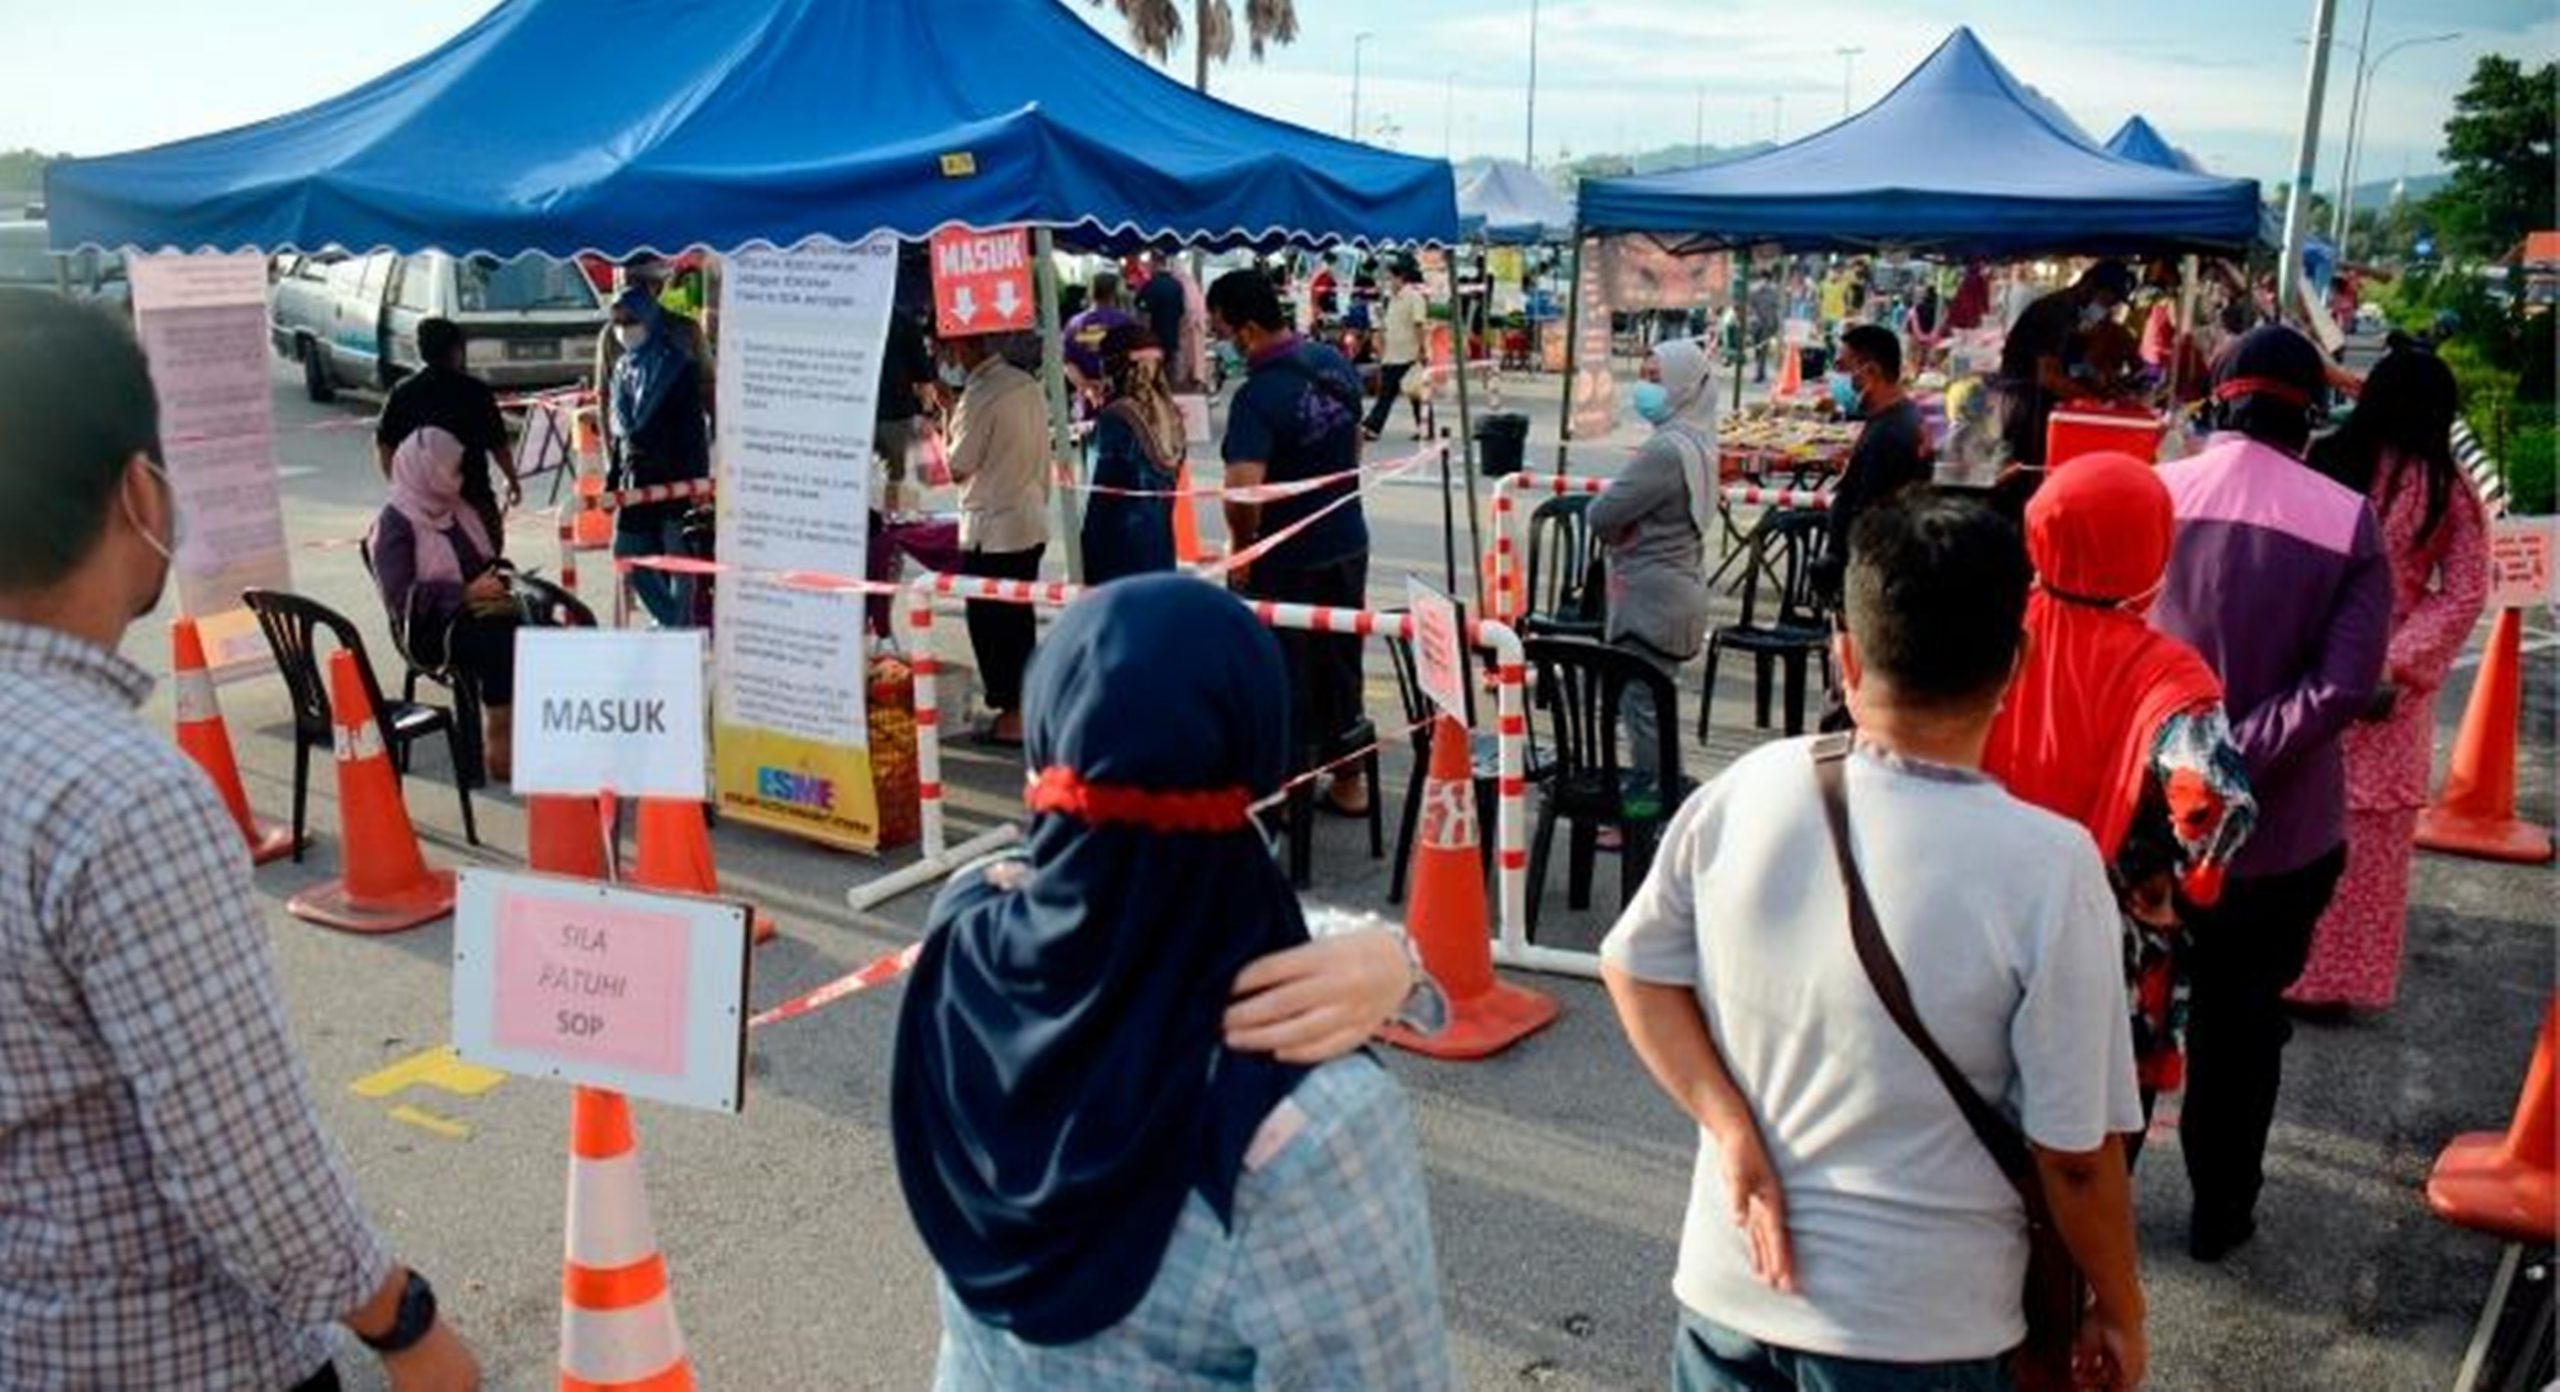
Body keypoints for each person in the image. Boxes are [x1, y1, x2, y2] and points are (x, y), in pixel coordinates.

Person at [0, 290, 480, 1390]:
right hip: (178, 1356)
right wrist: (406, 1326)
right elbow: (246, 1165)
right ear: (139, 491)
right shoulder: (120, 798)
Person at [1602, 490, 2147, 1392]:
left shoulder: (1748, 791)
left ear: (1845, 658)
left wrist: (1730, 1127)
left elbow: (1634, 968)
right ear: (2018, 664)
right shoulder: (2050, 868)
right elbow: (2076, 1159)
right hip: (1920, 1328)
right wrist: (2121, 1307)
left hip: (1728, 1295)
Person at [893, 575, 1454, 1390]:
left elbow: (1075, 891)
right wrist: (1393, 954)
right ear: (1261, 759)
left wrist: (1382, 957)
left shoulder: (963, 941)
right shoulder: (1308, 1116)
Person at [2150, 325, 2391, 1260]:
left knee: (2126, 1011)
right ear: (2310, 412)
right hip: (2280, 838)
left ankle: (2094, 1203)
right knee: (2241, 1032)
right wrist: (2234, 762)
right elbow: (2339, 689)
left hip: (2150, 822)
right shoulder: (2346, 520)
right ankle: (2220, 1213)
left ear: (2218, 400)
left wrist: (2186, 768)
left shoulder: (2153, 493)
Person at [1984, 453, 2259, 1150]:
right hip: (2108, 944)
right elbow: (2214, 804)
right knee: (2087, 1142)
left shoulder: (1984, 630)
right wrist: (2193, 875)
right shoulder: (2170, 671)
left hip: (1979, 912)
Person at [2288, 344, 2489, 1014]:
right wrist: (2395, 662)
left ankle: (2278, 964)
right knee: (2367, 842)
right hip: (2386, 691)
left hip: (2307, 664)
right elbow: (2463, 592)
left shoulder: (2323, 459)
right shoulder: (2445, 486)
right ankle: (2334, 983)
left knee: (2289, 812)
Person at [1209, 267, 1373, 817]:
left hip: (1286, 556)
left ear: (1247, 329)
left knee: (1279, 672)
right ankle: (1349, 781)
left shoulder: (1257, 397)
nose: (1221, 342)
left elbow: (1243, 492)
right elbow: (1354, 444)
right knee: (1341, 658)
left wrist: (1241, 550)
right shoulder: (1334, 362)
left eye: (1222, 329)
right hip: (1348, 539)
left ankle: (1277, 794)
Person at [1589, 337, 1716, 802]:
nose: (1644, 388)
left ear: (1683, 387)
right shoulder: (1701, 442)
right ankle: (1665, 809)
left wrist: (1620, 529)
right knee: (1656, 708)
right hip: (1679, 591)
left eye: (1655, 379)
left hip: (1650, 600)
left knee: (1642, 712)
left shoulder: (1666, 451)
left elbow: (1601, 514)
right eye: (1643, 376)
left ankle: (1644, 816)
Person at [370, 427, 522, 781]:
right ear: (426, 471)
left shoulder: (456, 508)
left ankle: (534, 730)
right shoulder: (394, 524)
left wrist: (500, 578)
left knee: (540, 620)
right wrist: (465, 593)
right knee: (501, 640)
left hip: (474, 611)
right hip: (429, 626)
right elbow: (401, 598)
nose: (457, 477)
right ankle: (500, 739)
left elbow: (482, 559)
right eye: (450, 469)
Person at [942, 330, 1052, 744]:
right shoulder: (1025, 384)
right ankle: (1025, 709)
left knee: (993, 627)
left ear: (967, 346)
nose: (948, 355)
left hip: (995, 529)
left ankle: (1012, 717)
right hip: (1028, 519)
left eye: (950, 346)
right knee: (1017, 622)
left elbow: (957, 465)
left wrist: (945, 419)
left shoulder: (981, 393)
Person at [606, 289, 711, 628]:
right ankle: (674, 624)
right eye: (619, 322)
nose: (624, 329)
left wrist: (698, 481)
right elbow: (622, 437)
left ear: (650, 320)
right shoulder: (622, 369)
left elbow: (693, 430)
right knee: (628, 552)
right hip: (635, 481)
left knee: (678, 562)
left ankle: (677, 633)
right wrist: (612, 482)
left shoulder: (677, 367)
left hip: (675, 478)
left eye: (631, 321)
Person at [1811, 324, 1931, 609]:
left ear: (1871, 373)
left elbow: (1871, 516)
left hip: (1874, 582)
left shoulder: (1891, 435)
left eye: (1842, 367)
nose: (1836, 378)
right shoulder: (1894, 419)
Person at [374, 317, 518, 550]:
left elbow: (384, 444)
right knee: (487, 564)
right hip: (473, 496)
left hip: (420, 504)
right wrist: (512, 480)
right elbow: (499, 445)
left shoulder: (403, 392)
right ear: (456, 350)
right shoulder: (475, 392)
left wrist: (400, 484)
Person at [1996, 260, 2136, 481]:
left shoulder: (2076, 316)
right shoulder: (2054, 312)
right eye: (2108, 301)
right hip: (2027, 400)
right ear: (2089, 286)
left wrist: (2098, 379)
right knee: (2027, 471)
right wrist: (2096, 403)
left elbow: (2073, 364)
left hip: (2042, 399)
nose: (2108, 309)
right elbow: (2049, 377)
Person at [1081, 324, 1186, 585]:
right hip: (1161, 547)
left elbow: (1102, 498)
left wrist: (1086, 551)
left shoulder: (1117, 418)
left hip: (1118, 555)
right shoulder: (1171, 413)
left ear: (1116, 366)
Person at [591, 255, 708, 459]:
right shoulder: (611, 335)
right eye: (629, 284)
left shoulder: (686, 331)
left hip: (680, 448)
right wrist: (610, 456)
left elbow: (708, 386)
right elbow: (603, 396)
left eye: (643, 285)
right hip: (633, 454)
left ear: (658, 287)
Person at [875, 301, 938, 509]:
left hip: (857, 412)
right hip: (896, 412)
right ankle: (890, 525)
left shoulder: (851, 315)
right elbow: (922, 375)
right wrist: (927, 415)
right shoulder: (904, 322)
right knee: (895, 477)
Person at [1364, 258, 1431, 441]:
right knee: (1387, 393)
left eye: (1390, 278)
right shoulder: (1391, 299)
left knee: (1415, 393)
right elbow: (1387, 325)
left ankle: (1424, 427)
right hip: (1392, 354)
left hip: (1409, 354)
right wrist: (1380, 347)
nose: (1387, 283)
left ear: (1401, 278)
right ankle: (1373, 427)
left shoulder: (1414, 297)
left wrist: (1423, 350)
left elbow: (1419, 325)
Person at [1062, 270, 1137, 409]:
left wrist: (1085, 385)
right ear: (1116, 293)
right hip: (1120, 397)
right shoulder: (1125, 322)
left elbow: (1068, 363)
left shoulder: (1074, 323)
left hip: (1087, 400)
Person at [1134, 252, 1189, 381]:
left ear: (1155, 264)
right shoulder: (1177, 285)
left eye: (1149, 264)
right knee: (1169, 376)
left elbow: (1142, 313)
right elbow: (1182, 313)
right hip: (1172, 338)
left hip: (1153, 338)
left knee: (1153, 377)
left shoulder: (1150, 286)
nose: (1148, 267)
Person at [1901, 281, 1948, 375]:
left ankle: (1916, 372)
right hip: (1937, 343)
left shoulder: (1914, 310)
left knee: (1915, 360)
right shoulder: (1943, 311)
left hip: (1917, 342)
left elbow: (1907, 331)